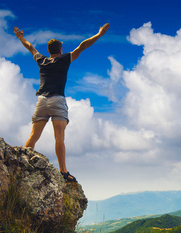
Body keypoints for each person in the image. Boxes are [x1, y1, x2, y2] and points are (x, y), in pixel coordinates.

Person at [14, 23, 110, 182]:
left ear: (49, 51)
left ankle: (19, 164)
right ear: (60, 50)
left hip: (41, 101)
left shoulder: (41, 60)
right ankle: (63, 171)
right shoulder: (65, 59)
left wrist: (20, 37)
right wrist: (99, 34)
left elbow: (30, 48)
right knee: (59, 137)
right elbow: (82, 46)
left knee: (34, 136)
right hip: (57, 100)